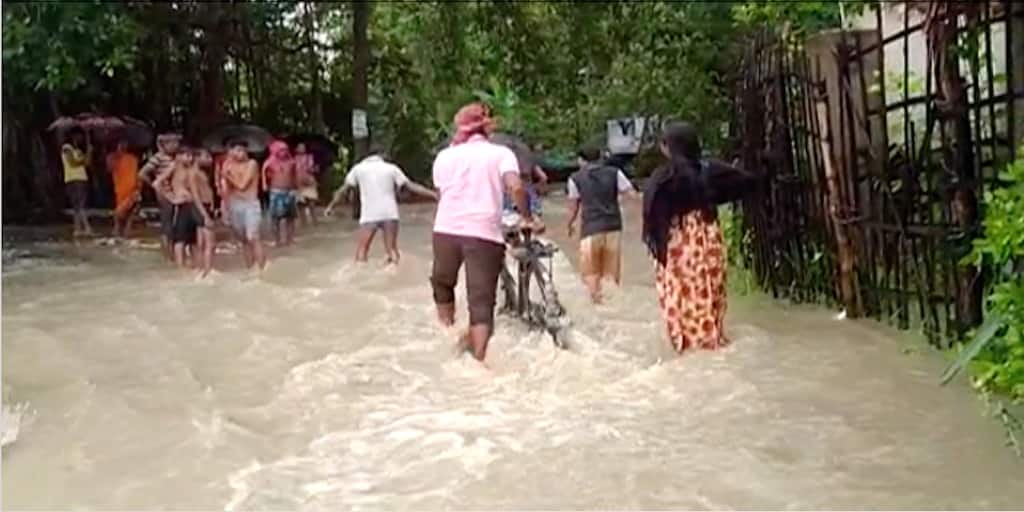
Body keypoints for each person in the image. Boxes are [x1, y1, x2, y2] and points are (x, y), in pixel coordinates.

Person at [430, 103, 539, 363]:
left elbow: (441, 193)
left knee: (442, 284)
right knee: (480, 301)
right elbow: (516, 187)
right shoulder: (501, 154)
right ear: (486, 128)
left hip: (444, 230)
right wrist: (528, 217)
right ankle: (478, 361)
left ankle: (446, 333)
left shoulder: (444, 157)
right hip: (482, 233)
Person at [642, 121, 756, 353]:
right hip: (709, 241)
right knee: (710, 292)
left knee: (682, 297)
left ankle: (690, 348)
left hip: (679, 247)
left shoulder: (663, 178)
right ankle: (714, 339)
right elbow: (745, 182)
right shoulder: (709, 170)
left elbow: (652, 217)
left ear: (668, 148)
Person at [324, 144, 437, 264]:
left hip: (369, 214)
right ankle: (395, 272)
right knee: (392, 250)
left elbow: (343, 190)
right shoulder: (391, 168)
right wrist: (434, 195)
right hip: (390, 213)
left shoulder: (358, 169)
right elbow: (411, 186)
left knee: (362, 250)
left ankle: (360, 275)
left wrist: (330, 206)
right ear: (382, 155)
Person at [566, 143, 639, 304]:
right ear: (600, 158)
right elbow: (631, 194)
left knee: (590, 273)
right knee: (611, 274)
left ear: (581, 160)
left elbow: (573, 206)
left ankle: (597, 306)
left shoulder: (575, 179)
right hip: (613, 227)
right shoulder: (615, 173)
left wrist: (569, 224)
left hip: (590, 230)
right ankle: (613, 304)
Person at [154, 148, 204, 270]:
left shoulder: (191, 169)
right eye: (187, 155)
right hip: (181, 205)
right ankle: (180, 267)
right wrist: (171, 198)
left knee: (193, 241)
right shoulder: (174, 166)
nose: (190, 158)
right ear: (178, 156)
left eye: (191, 156)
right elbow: (156, 183)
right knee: (179, 239)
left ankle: (196, 266)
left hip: (192, 205)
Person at [222, 139, 267, 271]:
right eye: (237, 150)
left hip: (250, 204)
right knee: (243, 241)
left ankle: (261, 269)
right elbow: (226, 190)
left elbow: (242, 185)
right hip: (234, 204)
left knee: (252, 237)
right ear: (231, 152)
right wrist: (225, 208)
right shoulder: (228, 165)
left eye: (243, 150)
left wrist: (227, 175)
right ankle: (250, 269)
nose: (241, 153)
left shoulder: (252, 164)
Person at [139, 133, 182, 260]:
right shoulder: (158, 157)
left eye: (176, 143)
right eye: (172, 143)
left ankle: (172, 252)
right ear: (165, 145)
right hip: (165, 194)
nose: (176, 145)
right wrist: (154, 185)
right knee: (167, 223)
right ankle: (167, 253)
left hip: (176, 194)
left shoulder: (176, 157)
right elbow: (142, 174)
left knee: (174, 223)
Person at [262, 140, 298, 247]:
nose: (284, 152)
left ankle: (289, 240)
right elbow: (264, 173)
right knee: (276, 218)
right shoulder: (270, 162)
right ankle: (277, 240)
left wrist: (296, 189)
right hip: (276, 191)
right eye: (281, 150)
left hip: (290, 191)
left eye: (285, 150)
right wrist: (264, 184)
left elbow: (294, 175)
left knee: (290, 217)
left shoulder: (292, 162)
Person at [61, 128, 94, 237]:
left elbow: (87, 163)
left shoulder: (79, 151)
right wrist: (84, 160)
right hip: (72, 178)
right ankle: (86, 227)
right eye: (77, 136)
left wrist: (89, 152)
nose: (79, 138)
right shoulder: (66, 148)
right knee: (78, 205)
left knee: (79, 205)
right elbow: (72, 162)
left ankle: (78, 228)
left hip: (81, 178)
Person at [106, 140, 140, 238]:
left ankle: (126, 232)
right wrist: (117, 156)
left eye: (125, 144)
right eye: (121, 144)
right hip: (120, 189)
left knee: (131, 212)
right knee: (119, 213)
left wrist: (138, 186)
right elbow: (109, 168)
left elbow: (136, 172)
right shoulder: (112, 157)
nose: (123, 146)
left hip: (132, 188)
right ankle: (117, 230)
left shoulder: (133, 158)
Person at [193, 149, 217, 277]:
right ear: (196, 158)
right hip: (202, 207)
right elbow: (196, 196)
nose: (210, 160)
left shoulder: (201, 173)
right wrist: (205, 215)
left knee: (201, 242)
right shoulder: (194, 173)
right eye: (206, 157)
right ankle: (208, 271)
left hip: (205, 207)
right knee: (210, 243)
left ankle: (200, 269)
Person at [294, 143, 319, 226]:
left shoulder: (309, 157)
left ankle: (314, 221)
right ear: (296, 149)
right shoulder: (294, 159)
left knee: (311, 203)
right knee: (300, 204)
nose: (301, 149)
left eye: (303, 147)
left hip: (309, 182)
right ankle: (303, 222)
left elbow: (313, 169)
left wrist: (311, 169)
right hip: (298, 183)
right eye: (300, 148)